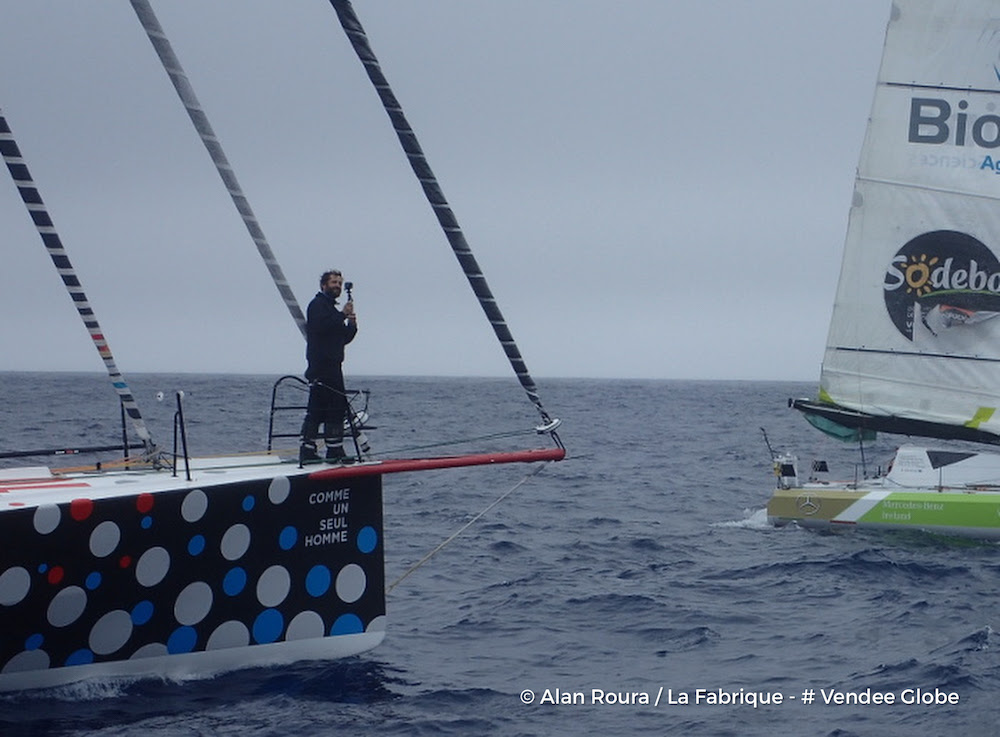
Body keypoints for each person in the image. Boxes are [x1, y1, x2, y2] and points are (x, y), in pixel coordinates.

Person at [299, 269, 358, 464]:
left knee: (330, 409)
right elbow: (321, 327)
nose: (337, 286)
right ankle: (321, 450)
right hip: (321, 366)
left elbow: (342, 337)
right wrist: (342, 315)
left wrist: (352, 324)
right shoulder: (317, 305)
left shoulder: (331, 310)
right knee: (325, 409)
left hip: (333, 366)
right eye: (334, 282)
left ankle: (327, 449)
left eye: (339, 283)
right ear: (323, 285)